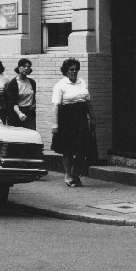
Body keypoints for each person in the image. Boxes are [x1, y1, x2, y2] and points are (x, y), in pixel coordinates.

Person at [51, 58, 96, 187]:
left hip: (81, 119)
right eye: (71, 69)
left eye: (76, 69)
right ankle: (68, 175)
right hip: (67, 120)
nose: (74, 71)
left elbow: (88, 102)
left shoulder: (82, 82)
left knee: (83, 147)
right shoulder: (60, 85)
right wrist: (55, 125)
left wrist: (93, 118)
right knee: (68, 149)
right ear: (66, 71)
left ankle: (76, 172)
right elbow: (55, 106)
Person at [5, 58, 36, 130]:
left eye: (28, 67)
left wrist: (34, 104)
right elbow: (12, 102)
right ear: (19, 68)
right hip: (17, 113)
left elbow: (34, 97)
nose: (26, 68)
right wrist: (19, 113)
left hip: (29, 113)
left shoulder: (32, 82)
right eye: (24, 66)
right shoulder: (12, 84)